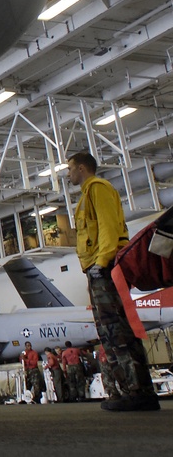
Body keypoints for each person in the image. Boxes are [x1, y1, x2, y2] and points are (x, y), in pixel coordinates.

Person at [67, 151, 160, 412]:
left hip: (105, 269)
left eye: (70, 168)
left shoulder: (98, 189)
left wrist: (102, 261)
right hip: (97, 271)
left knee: (117, 330)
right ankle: (128, 389)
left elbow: (108, 227)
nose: (68, 174)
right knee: (108, 331)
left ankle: (139, 391)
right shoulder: (87, 194)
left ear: (82, 168)